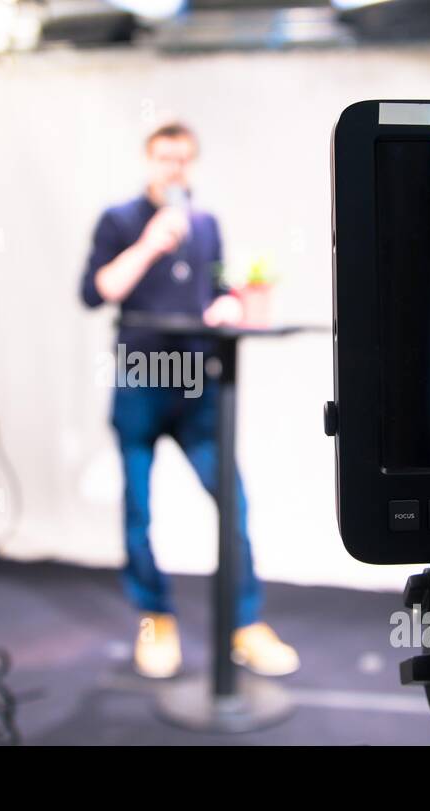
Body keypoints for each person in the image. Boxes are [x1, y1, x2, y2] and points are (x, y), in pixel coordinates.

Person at [79, 121, 300, 679]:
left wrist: (228, 302)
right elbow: (97, 291)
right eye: (163, 158)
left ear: (192, 164)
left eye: (182, 159)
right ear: (148, 161)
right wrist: (150, 244)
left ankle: (244, 622)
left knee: (234, 501)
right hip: (140, 380)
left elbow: (217, 290)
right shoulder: (120, 221)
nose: (173, 168)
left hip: (197, 384)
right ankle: (155, 618)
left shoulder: (206, 225)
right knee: (138, 507)